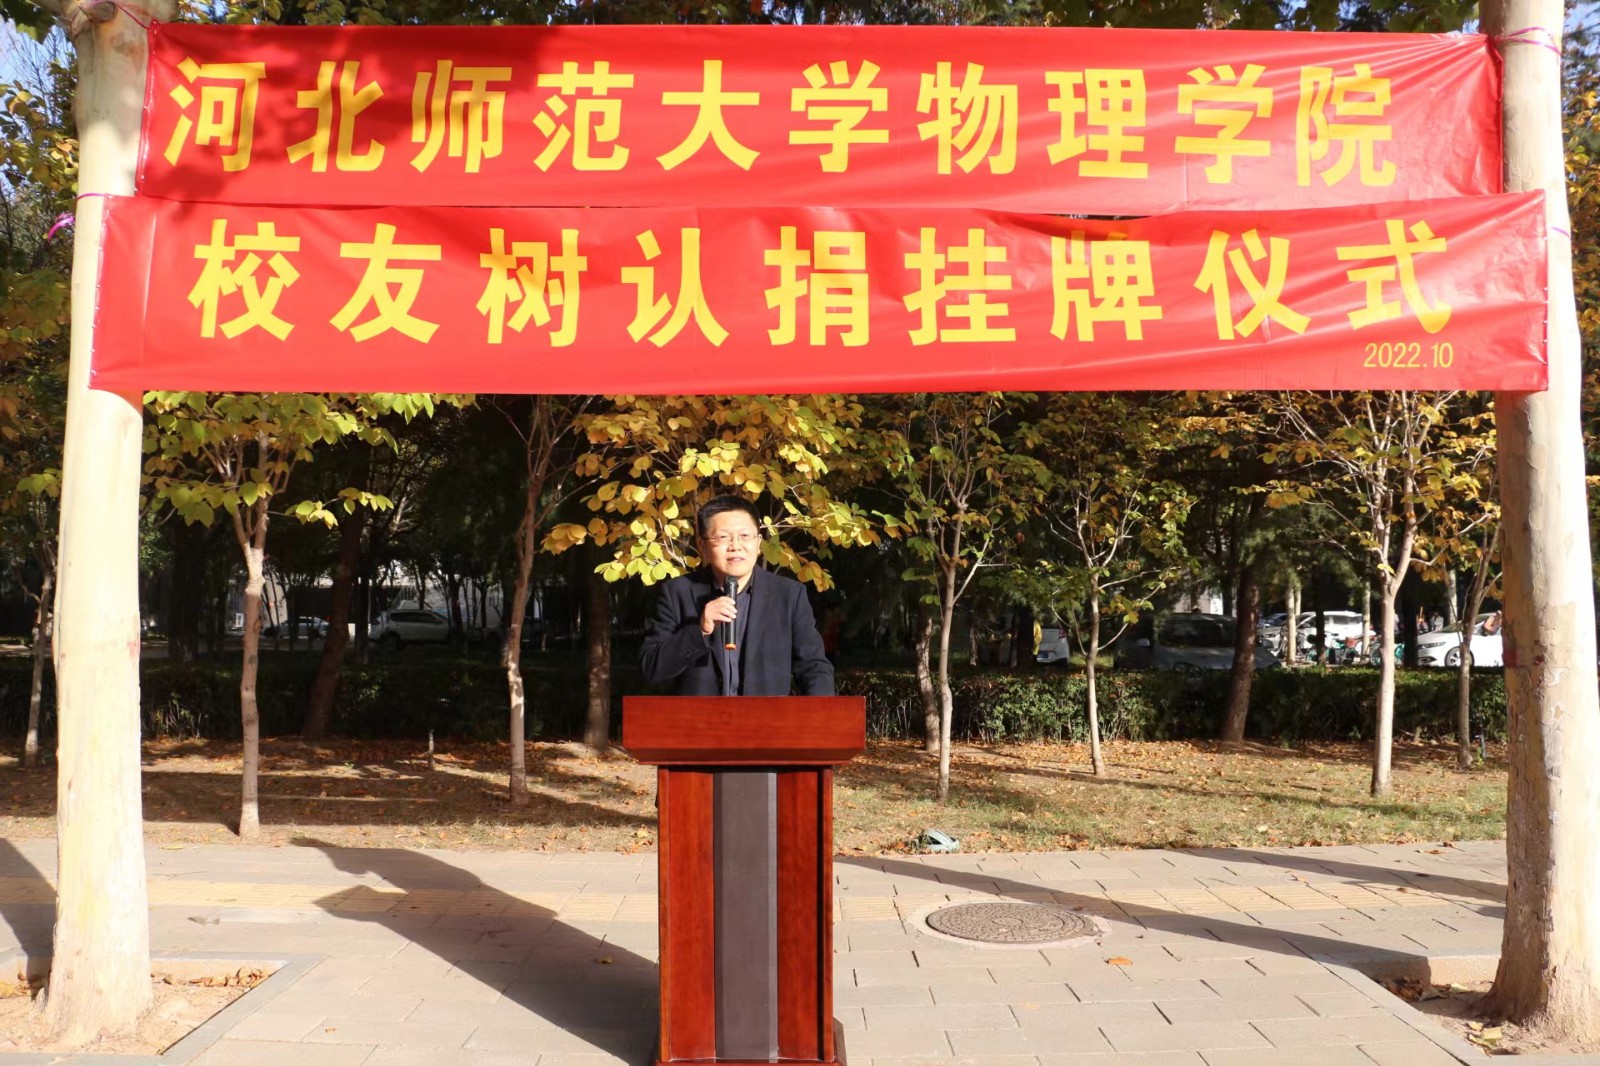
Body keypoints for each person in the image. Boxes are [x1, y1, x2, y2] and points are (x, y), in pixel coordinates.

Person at [639, 495, 835, 696]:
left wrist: (821, 713)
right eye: (723, 537)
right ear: (703, 546)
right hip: (699, 717)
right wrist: (700, 631)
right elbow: (650, 667)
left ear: (758, 543)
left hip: (766, 716)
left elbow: (814, 668)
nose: (735, 546)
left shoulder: (788, 595)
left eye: (744, 536)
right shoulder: (677, 593)